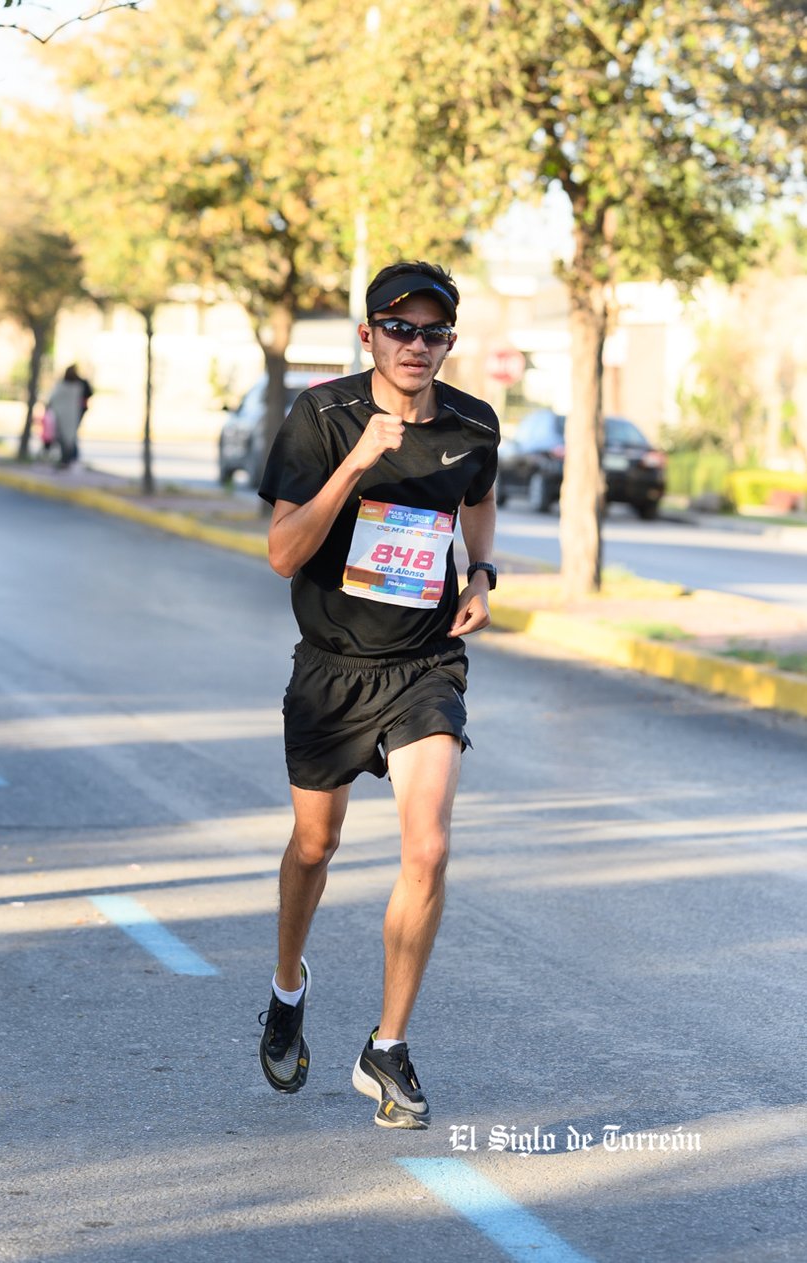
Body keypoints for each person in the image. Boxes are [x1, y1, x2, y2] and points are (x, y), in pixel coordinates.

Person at [257, 261, 499, 1130]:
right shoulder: (322, 418)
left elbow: (480, 498)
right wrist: (356, 463)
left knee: (428, 848)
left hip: (426, 664)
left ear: (448, 344)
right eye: (401, 329)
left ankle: (386, 1046)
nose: (417, 346)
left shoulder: (473, 423)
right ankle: (288, 986)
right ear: (369, 336)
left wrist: (482, 571)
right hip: (331, 666)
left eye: (434, 333)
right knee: (314, 848)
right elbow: (283, 553)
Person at [46, 365, 92, 468]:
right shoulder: (78, 384)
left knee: (65, 437)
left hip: (66, 414)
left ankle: (68, 459)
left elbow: (52, 399)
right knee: (70, 437)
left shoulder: (64, 385)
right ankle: (70, 458)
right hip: (74, 414)